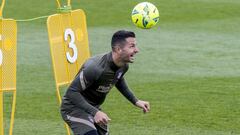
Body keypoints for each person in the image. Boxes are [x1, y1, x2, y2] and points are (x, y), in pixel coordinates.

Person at [61, 30, 150, 135]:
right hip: (73, 108)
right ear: (118, 49)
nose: (137, 50)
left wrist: (135, 101)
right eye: (132, 46)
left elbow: (118, 79)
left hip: (93, 107)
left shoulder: (123, 65)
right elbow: (71, 93)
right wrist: (96, 112)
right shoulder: (95, 68)